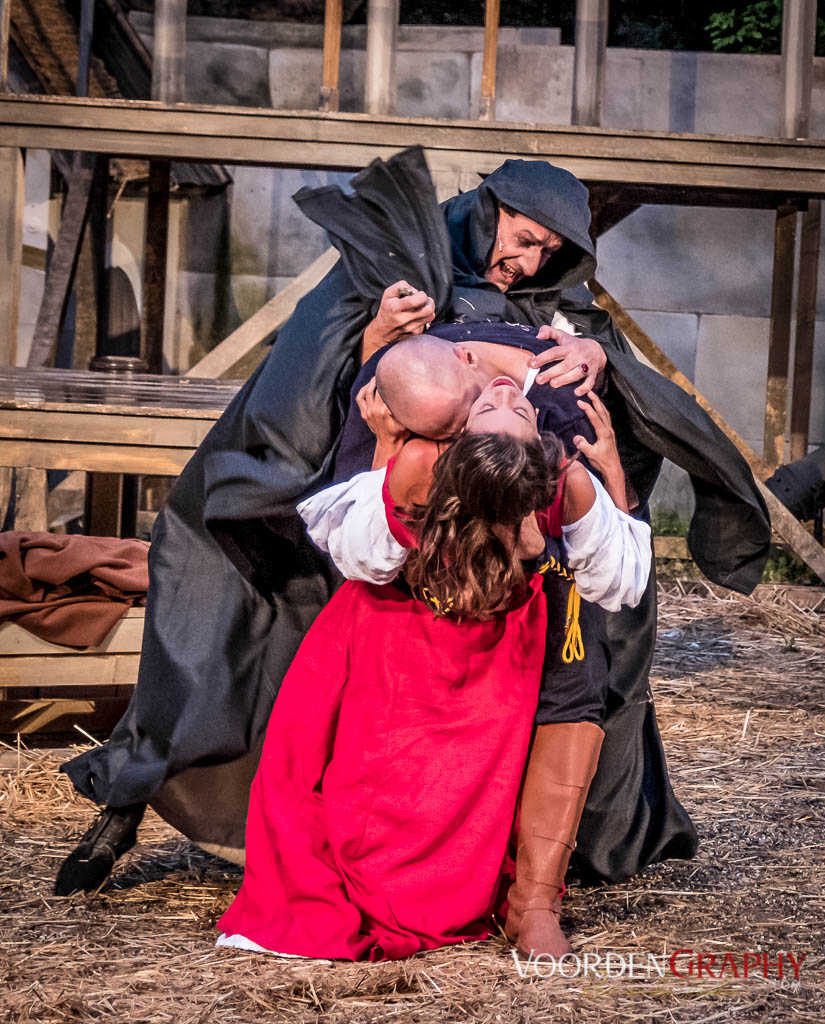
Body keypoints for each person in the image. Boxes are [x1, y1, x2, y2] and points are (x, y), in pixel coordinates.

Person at [56, 147, 770, 896]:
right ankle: (128, 803)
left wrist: (596, 354)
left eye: (550, 252)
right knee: (217, 589)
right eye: (523, 239)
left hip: (509, 532)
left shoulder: (557, 304)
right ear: (488, 211)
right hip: (377, 508)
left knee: (594, 634)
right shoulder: (400, 268)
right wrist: (374, 342)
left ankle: (538, 859)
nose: (529, 263)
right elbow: (305, 376)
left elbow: (611, 396)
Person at [216, 376, 651, 960]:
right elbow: (365, 558)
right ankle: (377, 881)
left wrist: (609, 478)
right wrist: (387, 449)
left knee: (469, 779)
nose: (505, 391)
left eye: (518, 408)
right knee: (374, 779)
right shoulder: (423, 461)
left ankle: (529, 903)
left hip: (498, 643)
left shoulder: (560, 481)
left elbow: (619, 578)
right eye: (493, 403)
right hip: (399, 623)